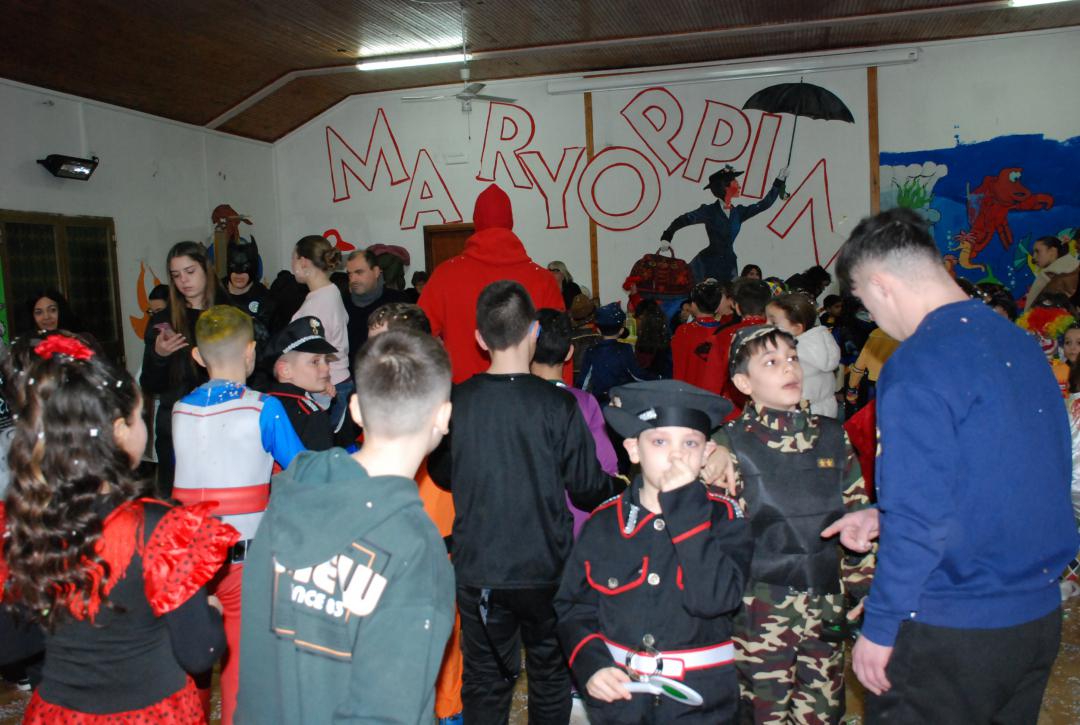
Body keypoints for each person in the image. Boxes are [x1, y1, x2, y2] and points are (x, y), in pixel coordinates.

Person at [835, 208, 1078, 723]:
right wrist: (886, 514)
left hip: (950, 629)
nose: (876, 320)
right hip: (1034, 620)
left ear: (880, 286)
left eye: (866, 306)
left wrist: (881, 626)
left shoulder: (919, 360)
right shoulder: (1018, 342)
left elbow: (921, 516)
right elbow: (1023, 475)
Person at [2, 332, 237, 722]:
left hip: (59, 713)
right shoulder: (158, 526)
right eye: (139, 416)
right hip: (149, 711)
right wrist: (210, 614)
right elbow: (200, 653)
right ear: (119, 431)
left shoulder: (27, 520)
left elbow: (11, 643)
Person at [237, 330, 456, 724]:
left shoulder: (288, 497)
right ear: (443, 417)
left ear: (355, 409)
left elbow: (254, 654)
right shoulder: (418, 549)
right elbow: (391, 711)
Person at [427, 280, 618, 724]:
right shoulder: (558, 405)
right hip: (547, 568)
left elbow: (441, 474)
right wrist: (622, 485)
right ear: (534, 331)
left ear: (480, 338)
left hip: (480, 568)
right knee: (550, 678)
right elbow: (586, 488)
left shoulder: (458, 402)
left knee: (485, 681)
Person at [555, 379, 751, 723]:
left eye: (690, 443)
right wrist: (591, 664)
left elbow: (715, 600)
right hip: (621, 701)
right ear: (633, 450)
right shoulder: (604, 523)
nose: (676, 455)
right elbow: (573, 606)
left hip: (702, 704)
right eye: (659, 441)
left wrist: (685, 509)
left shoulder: (725, 517)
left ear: (707, 453)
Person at [713, 324, 873, 723]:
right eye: (771, 362)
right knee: (760, 715)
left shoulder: (833, 437)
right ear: (743, 383)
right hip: (757, 620)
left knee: (822, 713)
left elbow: (857, 522)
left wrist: (868, 594)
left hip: (824, 609)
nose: (789, 368)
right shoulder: (727, 447)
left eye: (792, 358)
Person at [171, 305, 305, 725]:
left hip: (185, 559)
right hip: (242, 562)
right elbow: (303, 471)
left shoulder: (179, 410)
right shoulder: (264, 408)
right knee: (240, 671)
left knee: (190, 666)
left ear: (197, 356)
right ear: (250, 352)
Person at [419, 183, 564, 383]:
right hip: (528, 396)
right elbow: (557, 349)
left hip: (461, 395)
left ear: (476, 221)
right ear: (510, 221)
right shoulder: (544, 280)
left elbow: (415, 337)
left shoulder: (444, 275)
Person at [140, 241, 224, 494]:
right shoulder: (163, 322)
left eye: (190, 272)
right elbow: (150, 384)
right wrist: (159, 356)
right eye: (176, 275)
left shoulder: (228, 314)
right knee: (177, 503)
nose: (184, 281)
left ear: (206, 269)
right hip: (176, 428)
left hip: (221, 423)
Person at [531, 308, 620, 535]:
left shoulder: (515, 401)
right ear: (570, 352)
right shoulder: (585, 402)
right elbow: (606, 467)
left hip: (529, 525)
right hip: (578, 525)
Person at [659, 164, 786, 283]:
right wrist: (667, 237)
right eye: (735, 182)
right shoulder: (709, 211)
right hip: (707, 264)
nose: (739, 186)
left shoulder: (739, 212)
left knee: (730, 294)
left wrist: (779, 181)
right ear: (725, 187)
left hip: (729, 266)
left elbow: (764, 204)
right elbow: (682, 220)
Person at [291, 235, 352, 439]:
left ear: (303, 262)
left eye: (293, 259)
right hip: (335, 382)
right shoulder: (330, 292)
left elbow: (316, 351)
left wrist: (322, 383)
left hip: (328, 387)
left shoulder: (318, 303)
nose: (292, 266)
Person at [265, 316, 338, 452]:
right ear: (285, 370)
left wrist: (319, 401)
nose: (326, 368)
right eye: (315, 362)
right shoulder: (312, 417)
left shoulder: (262, 402)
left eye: (326, 360)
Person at [767, 293, 842, 417]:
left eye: (773, 323)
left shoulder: (793, 353)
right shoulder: (821, 343)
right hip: (825, 411)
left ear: (797, 328)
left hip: (800, 414)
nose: (766, 325)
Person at [703, 277, 772, 404]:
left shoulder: (724, 336)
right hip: (772, 406)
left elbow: (712, 383)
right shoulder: (779, 334)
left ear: (737, 308)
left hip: (733, 408)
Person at [577, 302, 656, 406]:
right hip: (621, 402)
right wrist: (657, 379)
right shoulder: (625, 349)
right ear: (621, 331)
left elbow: (583, 382)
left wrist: (578, 400)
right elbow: (637, 375)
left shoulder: (591, 351)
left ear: (598, 330)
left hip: (600, 403)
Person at [342, 248, 410, 354]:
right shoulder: (342, 304)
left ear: (376, 272)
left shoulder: (398, 302)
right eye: (349, 274)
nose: (353, 279)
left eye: (359, 272)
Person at [672, 279, 724, 388]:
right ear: (718, 306)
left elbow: (679, 368)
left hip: (690, 392)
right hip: (716, 392)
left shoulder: (684, 331)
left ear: (694, 305)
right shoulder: (725, 331)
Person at [1026, 234, 1079, 310]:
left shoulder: (1054, 277)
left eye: (1037, 251)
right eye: (1033, 253)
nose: (1034, 257)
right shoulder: (1071, 269)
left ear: (1052, 251)